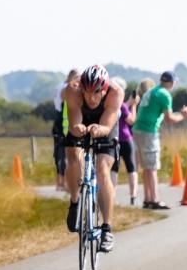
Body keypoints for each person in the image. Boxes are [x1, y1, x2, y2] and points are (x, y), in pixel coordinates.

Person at [63, 65, 124, 252]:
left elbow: (108, 123)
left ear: (105, 89)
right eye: (87, 92)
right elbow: (74, 121)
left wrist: (101, 130)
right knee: (73, 155)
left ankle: (106, 228)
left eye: (96, 92)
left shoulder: (115, 92)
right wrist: (78, 128)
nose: (91, 97)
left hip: (106, 124)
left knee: (102, 168)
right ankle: (75, 201)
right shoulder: (73, 90)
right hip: (82, 120)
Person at [132, 70, 187, 210]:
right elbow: (170, 118)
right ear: (172, 82)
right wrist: (184, 116)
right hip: (149, 131)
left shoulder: (153, 90)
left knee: (146, 167)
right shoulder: (164, 94)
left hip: (138, 129)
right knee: (152, 167)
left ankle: (148, 199)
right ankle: (154, 199)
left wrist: (180, 113)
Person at [112, 79, 140, 205]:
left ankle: (111, 195)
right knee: (131, 168)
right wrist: (134, 106)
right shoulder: (123, 106)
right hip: (126, 139)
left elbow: (123, 108)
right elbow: (131, 120)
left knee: (114, 169)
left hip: (114, 140)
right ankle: (133, 196)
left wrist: (129, 102)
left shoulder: (112, 104)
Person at [52, 71, 80, 191]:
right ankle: (66, 183)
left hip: (59, 118)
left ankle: (60, 182)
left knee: (60, 152)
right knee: (67, 153)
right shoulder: (68, 88)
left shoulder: (59, 86)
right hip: (66, 118)